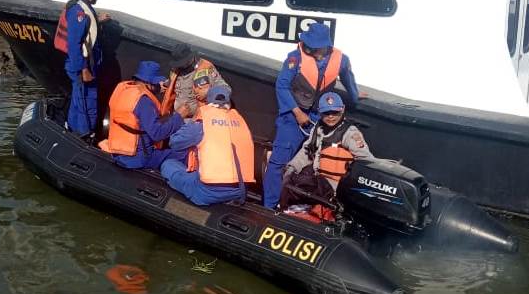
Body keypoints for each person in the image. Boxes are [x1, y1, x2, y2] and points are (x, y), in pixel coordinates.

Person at [262, 22, 360, 208]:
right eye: (311, 46)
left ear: (326, 45)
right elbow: (282, 86)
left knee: (313, 163)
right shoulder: (295, 58)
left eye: (317, 47)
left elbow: (348, 78)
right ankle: (270, 206)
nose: (313, 51)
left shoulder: (341, 60)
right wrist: (297, 112)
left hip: (318, 118)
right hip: (293, 116)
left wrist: (355, 96)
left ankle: (304, 205)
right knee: (278, 162)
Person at [160, 86, 255, 206]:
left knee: (168, 165)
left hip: (207, 191)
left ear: (208, 102)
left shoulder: (202, 124)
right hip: (239, 190)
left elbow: (174, 143)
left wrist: (193, 121)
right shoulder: (241, 123)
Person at [279, 92, 374, 210]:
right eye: (326, 113)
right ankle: (285, 212)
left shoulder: (350, 134)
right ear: (319, 112)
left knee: (301, 185)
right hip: (318, 179)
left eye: (335, 112)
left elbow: (367, 161)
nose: (330, 116)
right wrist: (292, 167)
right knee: (290, 180)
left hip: (336, 186)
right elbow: (306, 152)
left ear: (343, 109)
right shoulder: (318, 128)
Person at [98, 61, 186, 169]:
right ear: (148, 84)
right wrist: (179, 117)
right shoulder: (143, 101)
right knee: (184, 155)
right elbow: (157, 133)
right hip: (139, 158)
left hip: (118, 153)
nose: (159, 86)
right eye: (156, 84)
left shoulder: (123, 90)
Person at [54, 0, 109, 140]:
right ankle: (84, 135)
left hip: (87, 62)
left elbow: (86, 26)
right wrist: (83, 68)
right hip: (81, 64)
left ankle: (73, 128)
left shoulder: (83, 6)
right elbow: (74, 43)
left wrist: (98, 20)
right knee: (86, 102)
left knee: (80, 99)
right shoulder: (78, 12)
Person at [161, 43, 230, 119]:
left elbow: (225, 87)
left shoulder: (206, 67)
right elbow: (172, 82)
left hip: (197, 119)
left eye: (184, 62)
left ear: (191, 57)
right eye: (179, 63)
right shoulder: (176, 69)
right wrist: (163, 84)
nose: (182, 65)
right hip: (176, 117)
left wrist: (210, 91)